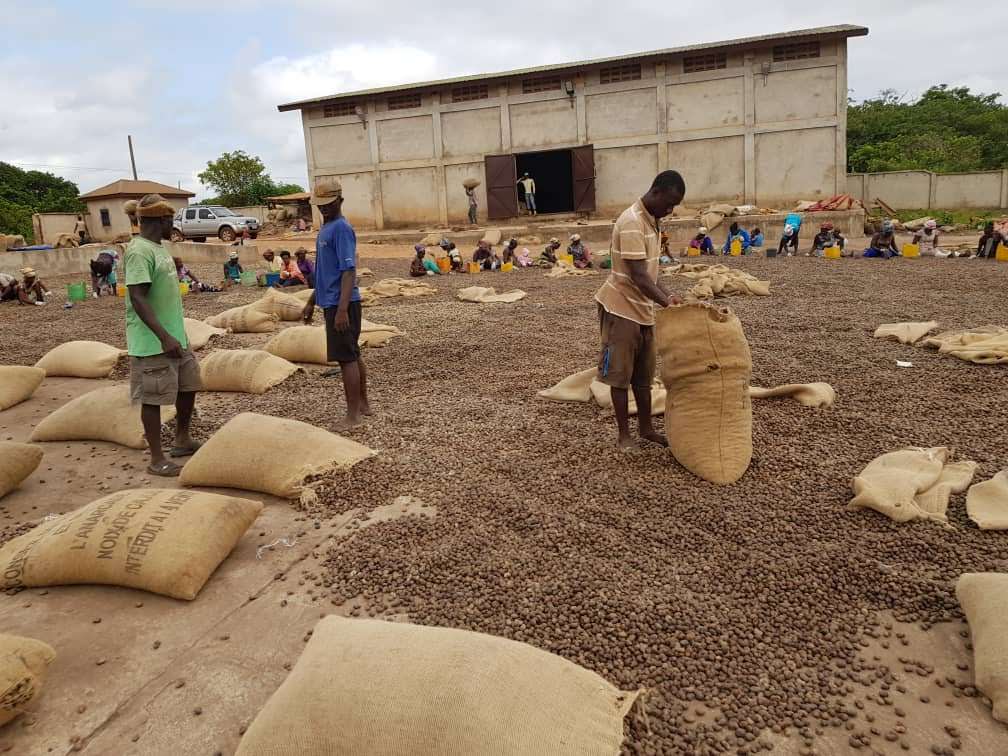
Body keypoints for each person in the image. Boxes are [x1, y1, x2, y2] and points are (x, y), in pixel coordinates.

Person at [595, 171, 685, 449]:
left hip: (643, 310)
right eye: (668, 203)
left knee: (643, 377)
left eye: (674, 206)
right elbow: (638, 275)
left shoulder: (653, 222)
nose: (670, 210)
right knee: (620, 376)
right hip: (621, 309)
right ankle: (624, 435)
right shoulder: (633, 222)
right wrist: (664, 302)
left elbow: (651, 272)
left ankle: (646, 429)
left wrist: (668, 295)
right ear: (655, 192)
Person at [124, 194, 202, 476]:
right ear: (161, 220)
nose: (174, 225)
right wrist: (163, 337)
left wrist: (176, 335)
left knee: (189, 385)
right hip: (153, 343)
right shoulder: (139, 251)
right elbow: (138, 298)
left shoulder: (159, 248)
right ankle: (157, 459)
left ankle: (182, 439)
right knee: (153, 398)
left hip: (175, 336)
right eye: (172, 220)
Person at [302, 179, 371, 430]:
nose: (324, 209)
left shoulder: (341, 228)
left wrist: (342, 310)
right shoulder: (326, 228)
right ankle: (363, 404)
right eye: (320, 205)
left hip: (342, 304)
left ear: (340, 200)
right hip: (331, 302)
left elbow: (348, 271)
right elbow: (323, 270)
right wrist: (312, 301)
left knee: (346, 359)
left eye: (328, 204)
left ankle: (353, 416)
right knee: (352, 352)